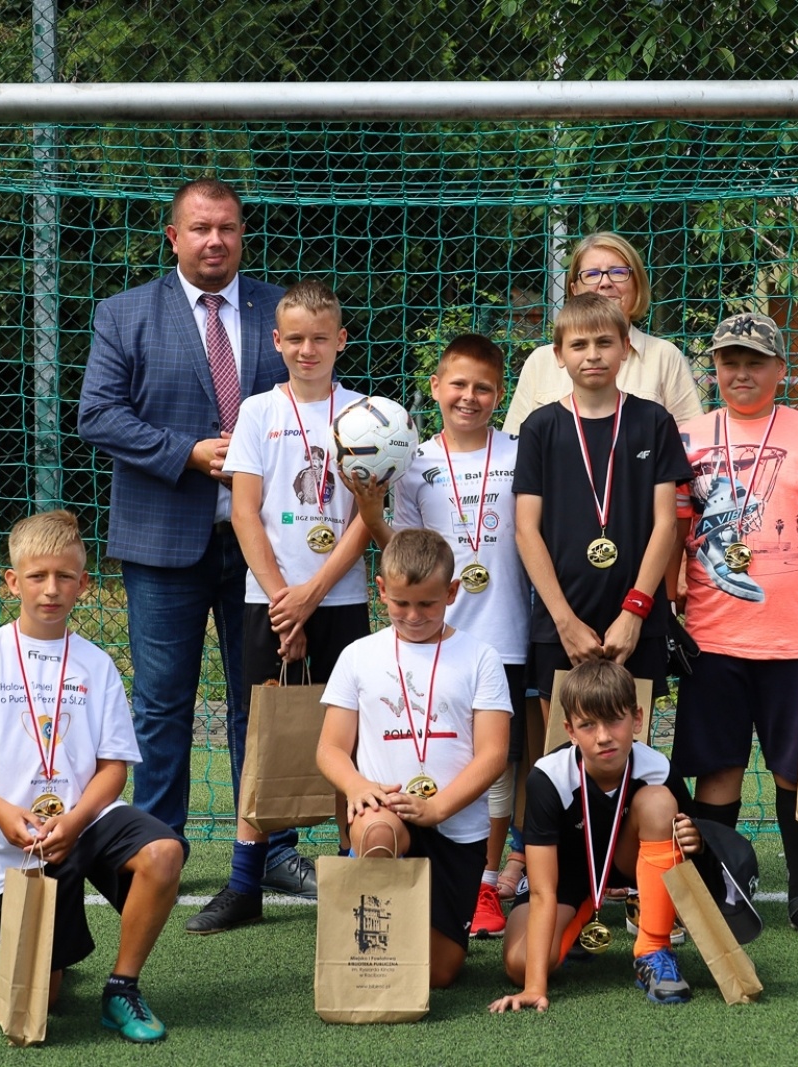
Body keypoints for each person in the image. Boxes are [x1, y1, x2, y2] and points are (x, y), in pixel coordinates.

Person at [77, 178, 316, 899]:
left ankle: (271, 846)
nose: (216, 240)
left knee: (265, 699)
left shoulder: (282, 312)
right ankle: (157, 847)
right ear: (173, 236)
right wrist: (187, 451)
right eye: (201, 228)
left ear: (243, 235)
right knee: (160, 702)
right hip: (162, 541)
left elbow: (314, 405)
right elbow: (99, 415)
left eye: (229, 229)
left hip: (264, 548)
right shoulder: (125, 314)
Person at [0, 510, 187, 1043]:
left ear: (84, 584)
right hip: (20, 844)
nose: (51, 590)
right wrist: (4, 813)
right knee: (43, 1004)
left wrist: (75, 820)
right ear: (12, 581)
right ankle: (57, 957)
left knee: (165, 851)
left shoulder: (97, 666)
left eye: (65, 577)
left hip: (87, 820)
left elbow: (113, 768)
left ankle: (122, 986)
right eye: (37, 576)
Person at [671, 310, 798, 942]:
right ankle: (721, 889)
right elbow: (673, 532)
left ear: (780, 370)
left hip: (797, 638)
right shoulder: (689, 435)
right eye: (729, 361)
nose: (740, 373)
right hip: (713, 635)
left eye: (754, 362)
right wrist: (671, 607)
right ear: (713, 368)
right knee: (718, 770)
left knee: (796, 771)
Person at [186, 280, 372, 933]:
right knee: (265, 731)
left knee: (357, 734)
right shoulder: (260, 413)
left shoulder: (368, 415)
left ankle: (356, 874)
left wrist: (313, 593)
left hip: (339, 596)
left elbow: (366, 519)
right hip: (265, 598)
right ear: (276, 342)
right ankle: (244, 883)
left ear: (341, 339)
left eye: (320, 337)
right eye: (294, 338)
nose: (307, 348)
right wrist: (279, 599)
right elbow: (243, 510)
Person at [346, 333, 528, 940]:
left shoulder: (522, 454)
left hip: (508, 633)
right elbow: (406, 556)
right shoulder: (413, 460)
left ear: (499, 395)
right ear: (436, 389)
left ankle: (487, 880)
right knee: (434, 747)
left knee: (501, 767)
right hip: (438, 637)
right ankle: (396, 865)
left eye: (482, 388)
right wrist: (371, 514)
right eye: (458, 385)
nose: (469, 397)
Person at [316, 528, 514, 988]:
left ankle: (404, 934)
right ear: (381, 589)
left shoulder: (481, 657)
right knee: (378, 831)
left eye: (427, 604)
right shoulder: (358, 655)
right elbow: (329, 749)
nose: (413, 615)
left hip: (456, 827)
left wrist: (438, 808)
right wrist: (357, 787)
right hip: (386, 813)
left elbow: (494, 753)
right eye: (401, 603)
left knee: (438, 975)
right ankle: (367, 943)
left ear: (451, 591)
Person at [513, 293, 692, 743]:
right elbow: (525, 529)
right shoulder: (540, 428)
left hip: (637, 622)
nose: (592, 354)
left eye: (604, 342)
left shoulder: (653, 421)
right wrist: (564, 621)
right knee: (561, 756)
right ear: (558, 355)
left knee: (633, 755)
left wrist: (634, 613)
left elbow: (666, 526)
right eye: (578, 345)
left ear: (625, 348)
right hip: (561, 625)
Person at [487, 659, 700, 1012]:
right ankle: (581, 915)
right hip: (568, 874)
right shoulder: (547, 778)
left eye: (615, 720)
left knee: (660, 804)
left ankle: (653, 950)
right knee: (520, 965)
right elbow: (542, 889)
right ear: (570, 730)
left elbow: (691, 856)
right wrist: (535, 987)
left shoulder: (659, 770)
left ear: (637, 719)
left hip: (629, 864)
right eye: (588, 725)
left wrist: (696, 839)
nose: (603, 736)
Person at [503, 231, 702, 434]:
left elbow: (691, 442)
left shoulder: (664, 357)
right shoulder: (541, 361)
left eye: (618, 272)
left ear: (636, 284)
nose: (605, 282)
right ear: (574, 290)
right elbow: (515, 443)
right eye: (592, 274)